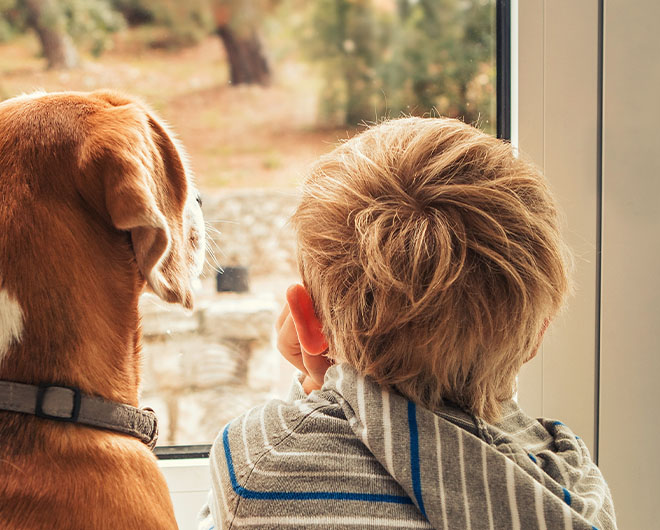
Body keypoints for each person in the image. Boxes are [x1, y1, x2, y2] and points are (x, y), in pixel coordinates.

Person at [198, 117, 617, 529]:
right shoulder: (574, 483)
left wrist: (319, 385)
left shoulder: (265, 461)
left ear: (306, 321)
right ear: (537, 333)